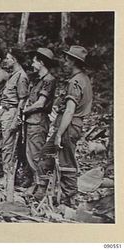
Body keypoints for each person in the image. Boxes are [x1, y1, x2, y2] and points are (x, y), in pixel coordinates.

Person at [40, 45, 92, 206]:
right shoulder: (84, 79)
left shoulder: (76, 81)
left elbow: (69, 111)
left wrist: (59, 134)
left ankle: (70, 199)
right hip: (71, 126)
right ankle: (42, 190)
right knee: (46, 154)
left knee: (66, 162)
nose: (64, 62)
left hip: (69, 126)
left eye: (67, 59)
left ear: (73, 61)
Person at [0, 48, 29, 187]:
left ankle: (8, 176)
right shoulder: (12, 75)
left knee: (8, 145)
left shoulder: (21, 76)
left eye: (8, 58)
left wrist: (16, 119)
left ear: (14, 60)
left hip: (11, 112)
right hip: (2, 110)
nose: (5, 61)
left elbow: (22, 100)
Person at [21, 48, 57, 189]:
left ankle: (39, 185)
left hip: (38, 121)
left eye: (34, 61)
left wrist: (25, 110)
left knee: (36, 154)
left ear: (41, 62)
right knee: (29, 152)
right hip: (31, 120)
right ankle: (32, 181)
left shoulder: (49, 80)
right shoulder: (37, 80)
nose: (32, 64)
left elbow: (40, 102)